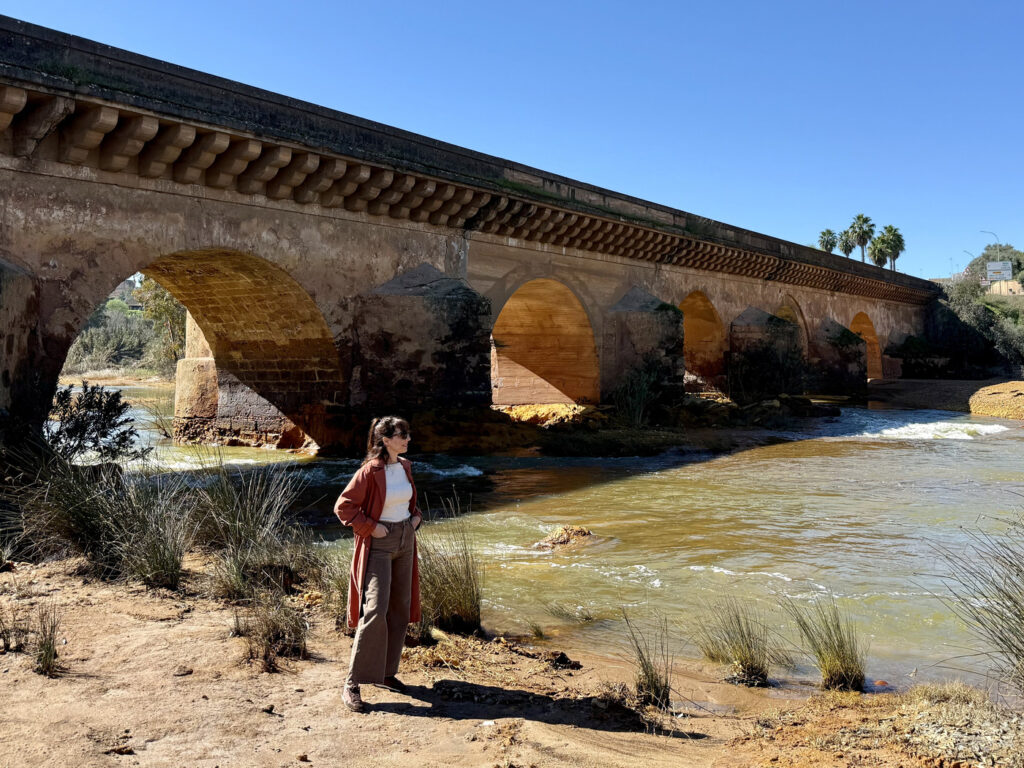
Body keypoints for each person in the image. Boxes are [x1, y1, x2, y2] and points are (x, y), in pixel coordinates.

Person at [334, 416, 422, 713]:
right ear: (385, 440)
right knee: (375, 609)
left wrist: (416, 518)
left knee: (399, 608)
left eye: (407, 434)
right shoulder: (370, 471)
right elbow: (344, 507)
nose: (407, 439)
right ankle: (352, 683)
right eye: (402, 435)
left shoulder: (406, 466)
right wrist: (370, 527)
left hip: (405, 540)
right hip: (379, 545)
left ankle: (385, 672)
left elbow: (409, 503)